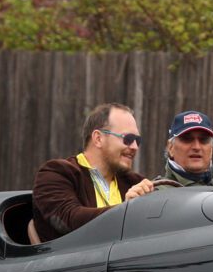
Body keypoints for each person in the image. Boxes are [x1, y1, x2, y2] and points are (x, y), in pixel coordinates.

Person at [30, 102, 157, 242]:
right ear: (98, 138)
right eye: (128, 139)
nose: (134, 147)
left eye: (137, 140)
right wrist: (126, 210)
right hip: (75, 262)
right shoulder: (56, 173)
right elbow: (68, 220)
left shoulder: (135, 183)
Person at [159, 110, 213, 188]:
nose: (196, 147)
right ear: (170, 147)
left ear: (211, 148)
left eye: (204, 140)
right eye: (187, 139)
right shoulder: (155, 194)